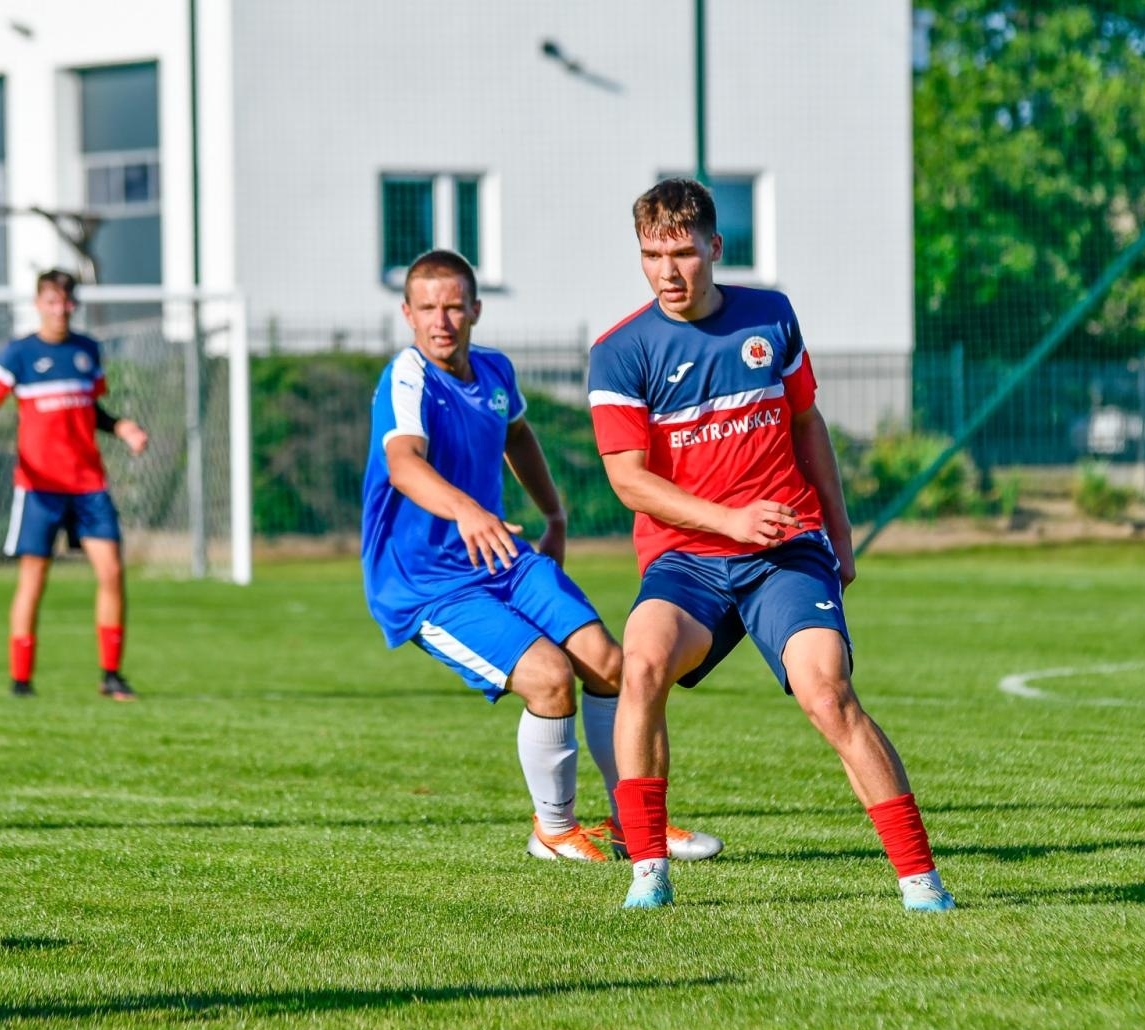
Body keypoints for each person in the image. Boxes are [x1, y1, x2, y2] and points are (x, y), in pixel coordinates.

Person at [587, 178, 955, 911]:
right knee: (643, 664)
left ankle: (921, 881)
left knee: (827, 692)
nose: (668, 270)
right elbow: (629, 482)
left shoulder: (770, 317)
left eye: (684, 253)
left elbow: (808, 424)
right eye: (652, 254)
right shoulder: (619, 351)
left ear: (715, 248)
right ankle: (649, 872)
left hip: (785, 553)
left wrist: (840, 533)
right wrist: (726, 522)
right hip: (687, 561)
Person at [361, 248, 721, 862]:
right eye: (427, 309)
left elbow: (518, 435)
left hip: (503, 558)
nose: (441, 321)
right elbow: (403, 465)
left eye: (453, 307)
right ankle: (553, 832)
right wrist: (469, 510)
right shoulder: (408, 375)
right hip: (427, 583)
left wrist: (553, 514)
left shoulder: (496, 372)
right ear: (407, 314)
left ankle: (636, 822)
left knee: (612, 665)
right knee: (550, 679)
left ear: (475, 309)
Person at [0, 269, 149, 700]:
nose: (59, 309)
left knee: (113, 572)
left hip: (88, 484)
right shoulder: (19, 353)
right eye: (50, 301)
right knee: (34, 579)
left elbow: (90, 409)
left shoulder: (87, 350)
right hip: (40, 486)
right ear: (38, 304)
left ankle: (111, 676)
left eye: (65, 302)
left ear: (73, 305)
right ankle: (21, 680)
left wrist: (122, 427)